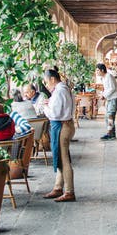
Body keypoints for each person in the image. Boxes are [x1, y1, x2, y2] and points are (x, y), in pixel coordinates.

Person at [42, 68, 76, 202]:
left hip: (62, 126)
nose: (46, 85)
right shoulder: (64, 89)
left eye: (46, 82)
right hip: (67, 124)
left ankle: (69, 191)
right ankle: (58, 187)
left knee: (64, 159)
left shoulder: (59, 91)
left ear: (52, 79)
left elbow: (55, 114)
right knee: (62, 156)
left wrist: (45, 107)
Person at [96, 62, 117, 140]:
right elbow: (107, 89)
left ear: (102, 70)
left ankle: (110, 134)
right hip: (110, 99)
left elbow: (112, 88)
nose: (96, 72)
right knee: (108, 117)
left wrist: (104, 95)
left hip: (113, 99)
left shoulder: (109, 76)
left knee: (110, 116)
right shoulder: (104, 77)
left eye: (97, 70)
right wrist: (103, 95)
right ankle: (111, 133)